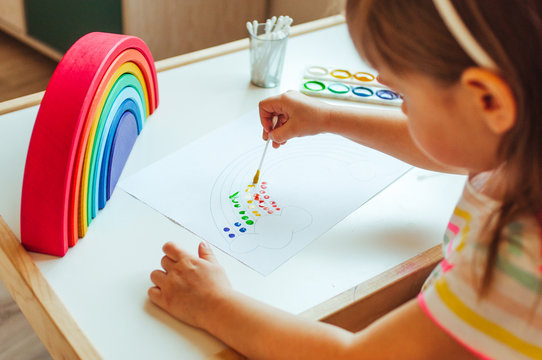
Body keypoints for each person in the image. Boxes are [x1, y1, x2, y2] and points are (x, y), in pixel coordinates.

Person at [148, 0, 542, 358]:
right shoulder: (520, 144)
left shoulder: (514, 262)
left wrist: (213, 305)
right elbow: (451, 144)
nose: (395, 98)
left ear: (487, 99)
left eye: (404, 94)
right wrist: (328, 118)